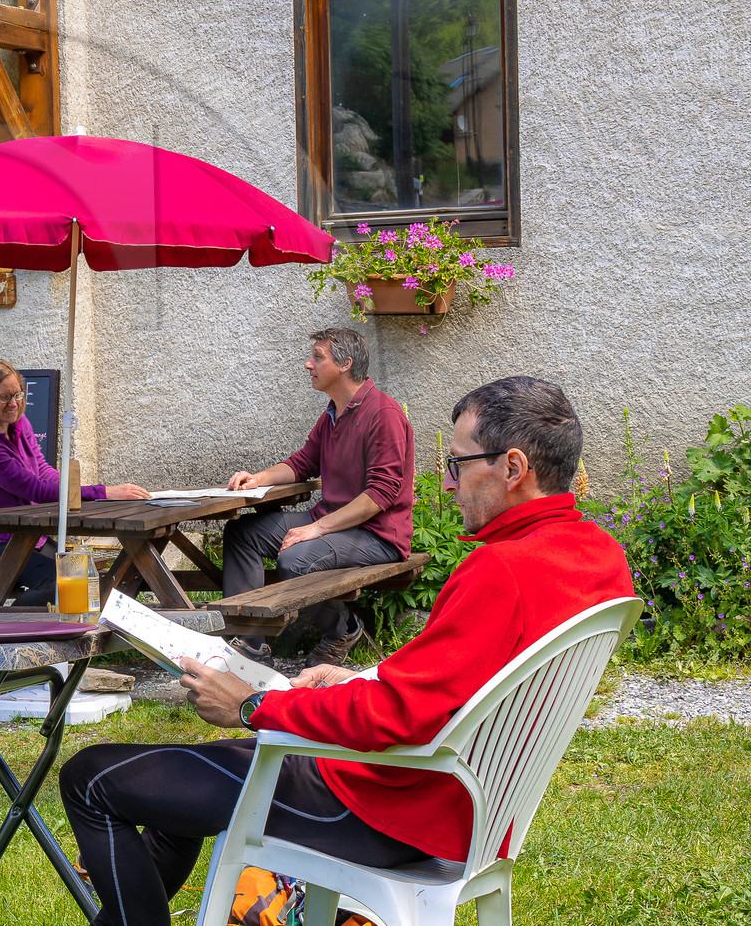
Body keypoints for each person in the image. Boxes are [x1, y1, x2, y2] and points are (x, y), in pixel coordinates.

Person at [60, 377, 635, 926]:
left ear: (513, 468)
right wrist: (363, 677)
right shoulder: (597, 555)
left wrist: (251, 707)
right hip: (466, 811)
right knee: (171, 798)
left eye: (457, 464)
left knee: (88, 777)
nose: (447, 482)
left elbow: (397, 717)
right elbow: (463, 687)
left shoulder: (502, 569)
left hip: (383, 809)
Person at [221, 327, 414, 667]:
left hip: (377, 534)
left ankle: (343, 629)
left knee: (295, 560)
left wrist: (319, 528)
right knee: (243, 534)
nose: (308, 364)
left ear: (345, 364)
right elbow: (302, 462)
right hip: (332, 522)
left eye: (317, 357)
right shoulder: (333, 412)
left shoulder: (384, 415)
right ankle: (250, 643)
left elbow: (380, 494)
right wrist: (258, 478)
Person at [0, 359, 149, 606]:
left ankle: (73, 632)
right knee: (59, 581)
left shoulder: (19, 424)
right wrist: (102, 491)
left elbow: (43, 471)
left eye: (17, 394)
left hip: (26, 536)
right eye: (4, 397)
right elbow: (33, 488)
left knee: (83, 577)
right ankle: (16, 632)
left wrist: (76, 492)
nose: (13, 403)